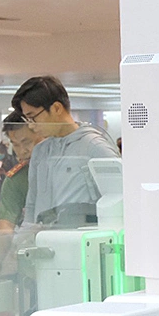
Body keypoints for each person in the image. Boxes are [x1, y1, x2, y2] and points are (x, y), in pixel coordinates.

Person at [11, 75, 119, 226]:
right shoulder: (40, 151)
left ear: (56, 108)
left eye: (33, 117)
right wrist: (23, 237)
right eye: (27, 120)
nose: (31, 125)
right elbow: (31, 206)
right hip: (43, 237)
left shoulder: (94, 147)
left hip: (80, 237)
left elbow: (120, 199)